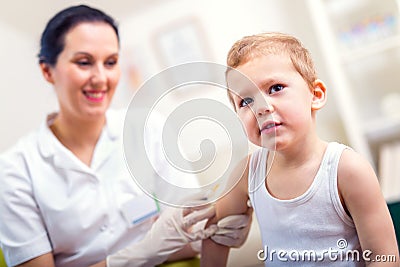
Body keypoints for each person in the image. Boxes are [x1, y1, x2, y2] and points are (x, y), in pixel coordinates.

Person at [0, 5, 252, 267]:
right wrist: (146, 250)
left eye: (110, 62)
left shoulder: (149, 129)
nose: (100, 78)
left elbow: (189, 233)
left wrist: (220, 230)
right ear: (47, 71)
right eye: (84, 62)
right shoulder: (14, 172)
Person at [201, 32, 399, 266]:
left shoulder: (347, 169)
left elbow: (383, 257)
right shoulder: (246, 173)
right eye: (245, 101)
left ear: (315, 95)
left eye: (275, 88)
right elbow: (216, 235)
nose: (261, 107)